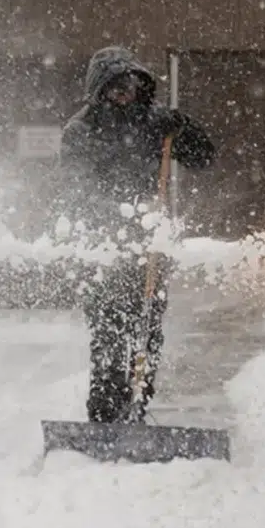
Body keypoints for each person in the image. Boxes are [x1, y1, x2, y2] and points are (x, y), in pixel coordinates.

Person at [58, 45, 217, 424]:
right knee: (110, 336)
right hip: (104, 250)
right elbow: (77, 189)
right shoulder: (80, 130)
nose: (123, 94)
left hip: (149, 251)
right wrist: (119, 220)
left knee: (146, 332)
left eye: (129, 86)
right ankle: (104, 416)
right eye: (115, 87)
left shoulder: (152, 123)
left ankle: (136, 411)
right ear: (99, 90)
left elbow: (204, 157)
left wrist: (183, 129)